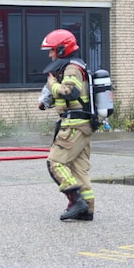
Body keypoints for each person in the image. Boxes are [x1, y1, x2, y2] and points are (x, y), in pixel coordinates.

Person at [40, 29, 95, 222]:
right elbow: (74, 97)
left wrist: (52, 86)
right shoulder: (78, 66)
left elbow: (70, 92)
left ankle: (75, 201)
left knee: (55, 163)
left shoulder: (71, 69)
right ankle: (87, 209)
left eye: (52, 50)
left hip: (73, 126)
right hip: (83, 125)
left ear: (63, 49)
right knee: (78, 169)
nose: (50, 55)